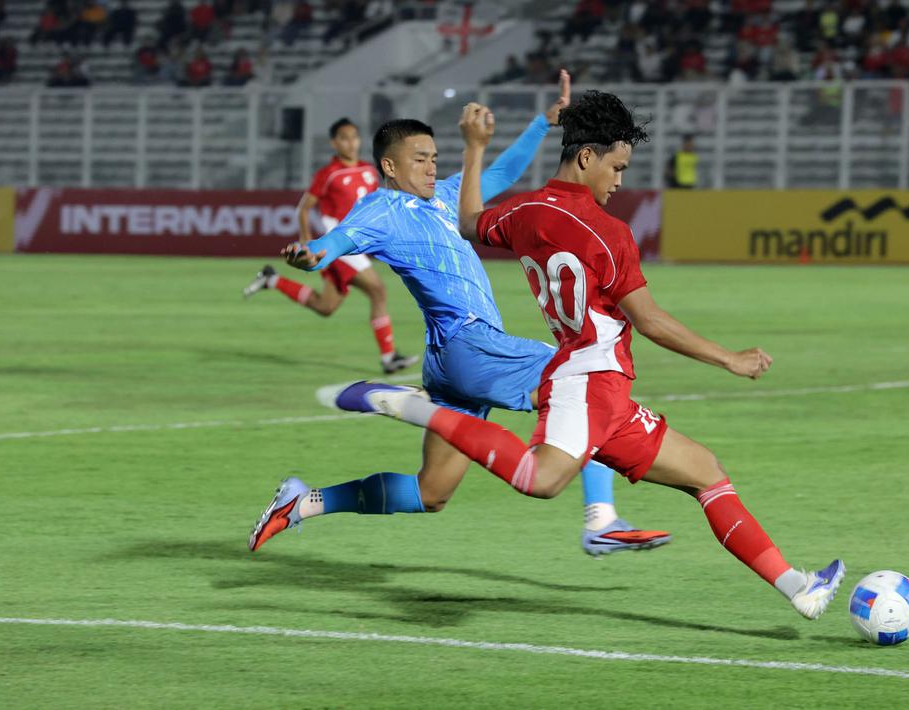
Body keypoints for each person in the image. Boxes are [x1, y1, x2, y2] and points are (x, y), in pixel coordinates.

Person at [318, 91, 846, 620]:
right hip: (589, 377)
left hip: (607, 388)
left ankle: (797, 586)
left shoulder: (524, 212)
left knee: (706, 472)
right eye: (616, 167)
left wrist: (474, 149)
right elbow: (652, 321)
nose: (619, 181)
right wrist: (730, 358)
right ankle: (415, 407)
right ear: (587, 157)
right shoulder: (608, 232)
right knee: (542, 480)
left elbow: (470, 221)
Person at [247, 71, 671, 558]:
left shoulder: (447, 196)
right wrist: (310, 255)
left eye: (433, 157)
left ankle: (304, 502)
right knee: (582, 376)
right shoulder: (381, 210)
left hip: (450, 361)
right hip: (469, 345)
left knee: (432, 493)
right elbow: (333, 244)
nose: (430, 167)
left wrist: (541, 123)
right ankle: (602, 519)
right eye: (419, 159)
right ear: (389, 165)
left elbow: (502, 174)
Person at [244, 117, 418, 375]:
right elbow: (304, 208)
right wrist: (305, 240)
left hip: (359, 245)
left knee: (326, 306)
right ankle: (389, 357)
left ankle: (272, 280)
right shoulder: (328, 174)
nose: (351, 142)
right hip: (339, 244)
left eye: (354, 137)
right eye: (344, 138)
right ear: (334, 143)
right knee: (378, 290)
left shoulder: (369, 171)